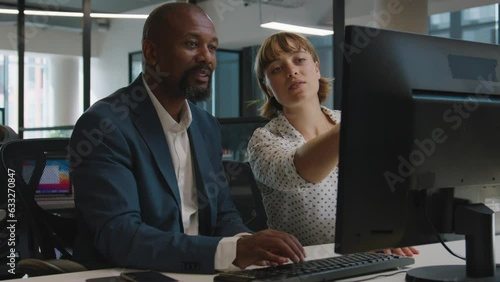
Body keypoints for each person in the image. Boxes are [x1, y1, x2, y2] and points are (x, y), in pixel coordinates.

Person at [69, 3, 304, 274]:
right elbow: (120, 237)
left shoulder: (206, 126)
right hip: (132, 275)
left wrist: (247, 244)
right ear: (151, 52)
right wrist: (229, 252)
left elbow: (223, 214)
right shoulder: (105, 125)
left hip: (200, 272)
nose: (207, 58)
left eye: (212, 47)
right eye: (192, 44)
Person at [247, 32, 418, 256]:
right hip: (303, 265)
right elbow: (297, 171)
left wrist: (384, 233)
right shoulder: (264, 140)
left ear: (317, 69)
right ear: (268, 88)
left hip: (369, 254)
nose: (292, 71)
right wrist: (360, 113)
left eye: (299, 60)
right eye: (276, 69)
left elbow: (386, 188)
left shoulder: (350, 121)